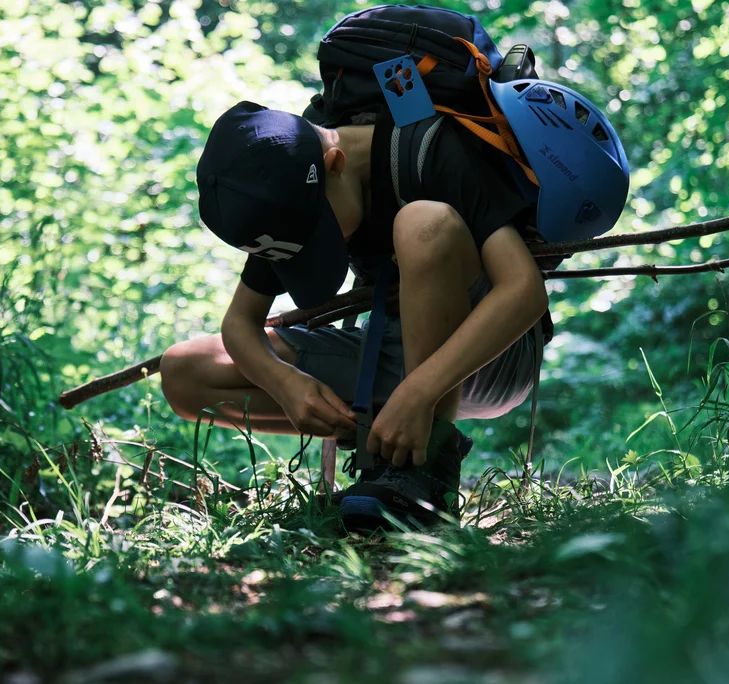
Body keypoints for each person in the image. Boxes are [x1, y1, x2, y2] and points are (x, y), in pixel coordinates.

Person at [157, 96, 562, 532]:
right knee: (185, 372)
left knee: (423, 224)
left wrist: (420, 392)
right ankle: (381, 452)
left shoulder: (435, 155)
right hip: (388, 361)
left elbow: (524, 292)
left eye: (322, 237)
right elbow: (239, 323)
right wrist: (286, 384)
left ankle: (426, 473)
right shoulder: (287, 199)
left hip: (490, 358)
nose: (319, 249)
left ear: (334, 163)